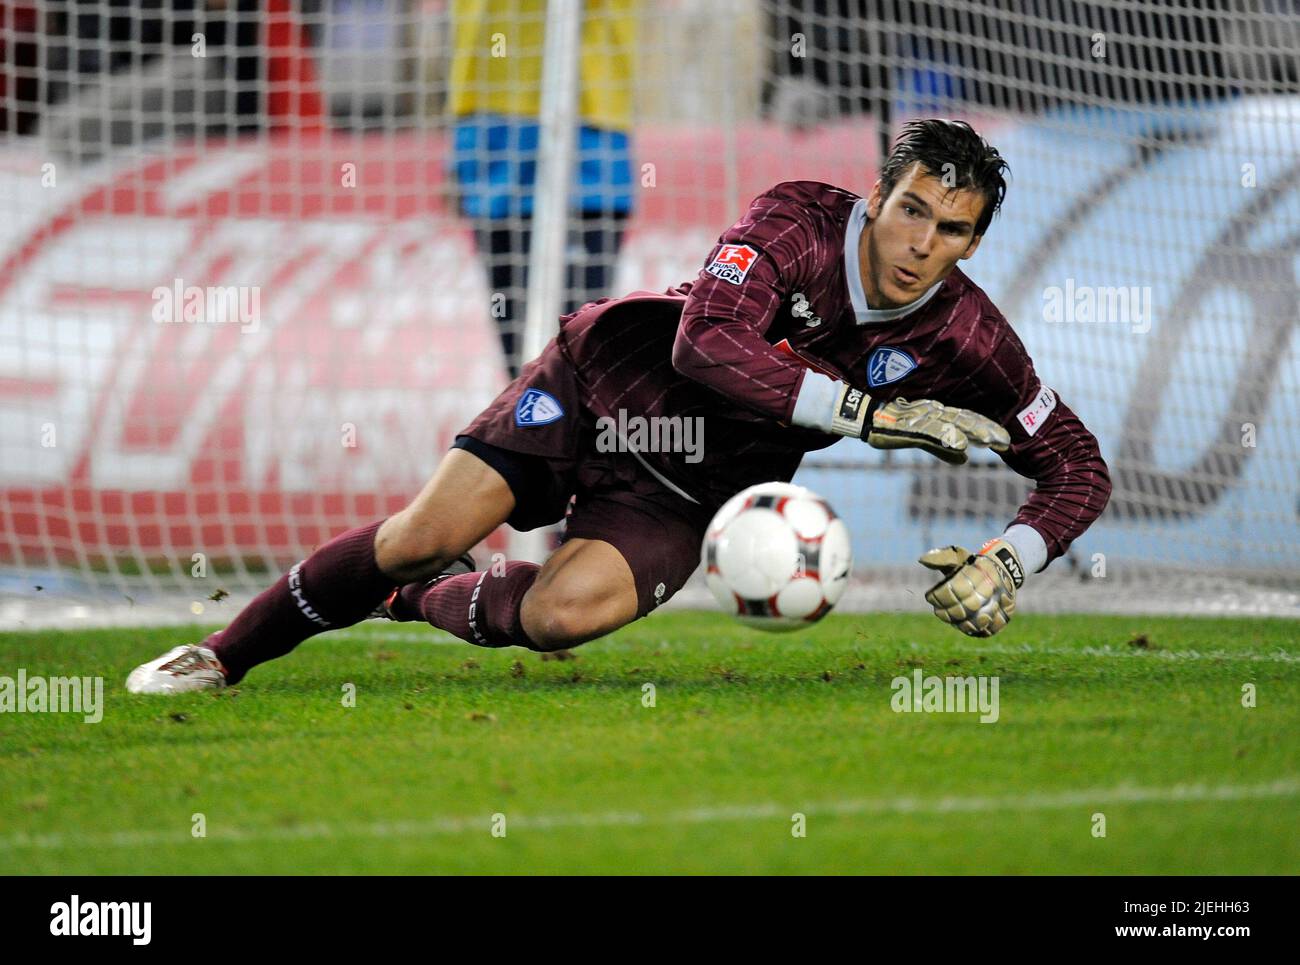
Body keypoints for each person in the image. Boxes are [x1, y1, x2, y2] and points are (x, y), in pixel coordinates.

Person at [127, 118, 1111, 693]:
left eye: (950, 230)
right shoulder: (795, 219)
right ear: (878, 193)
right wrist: (866, 413)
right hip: (602, 383)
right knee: (423, 528)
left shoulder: (967, 338)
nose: (919, 243)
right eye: (909, 211)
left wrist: (1009, 557)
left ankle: (411, 601)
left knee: (560, 615)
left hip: (696, 490)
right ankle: (221, 657)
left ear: (972, 244)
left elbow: (1076, 461)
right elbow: (706, 340)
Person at [447, 0, 635, 376]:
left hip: (591, 107)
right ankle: (526, 422)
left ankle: (570, 420)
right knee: (518, 331)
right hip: (494, 103)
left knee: (583, 326)